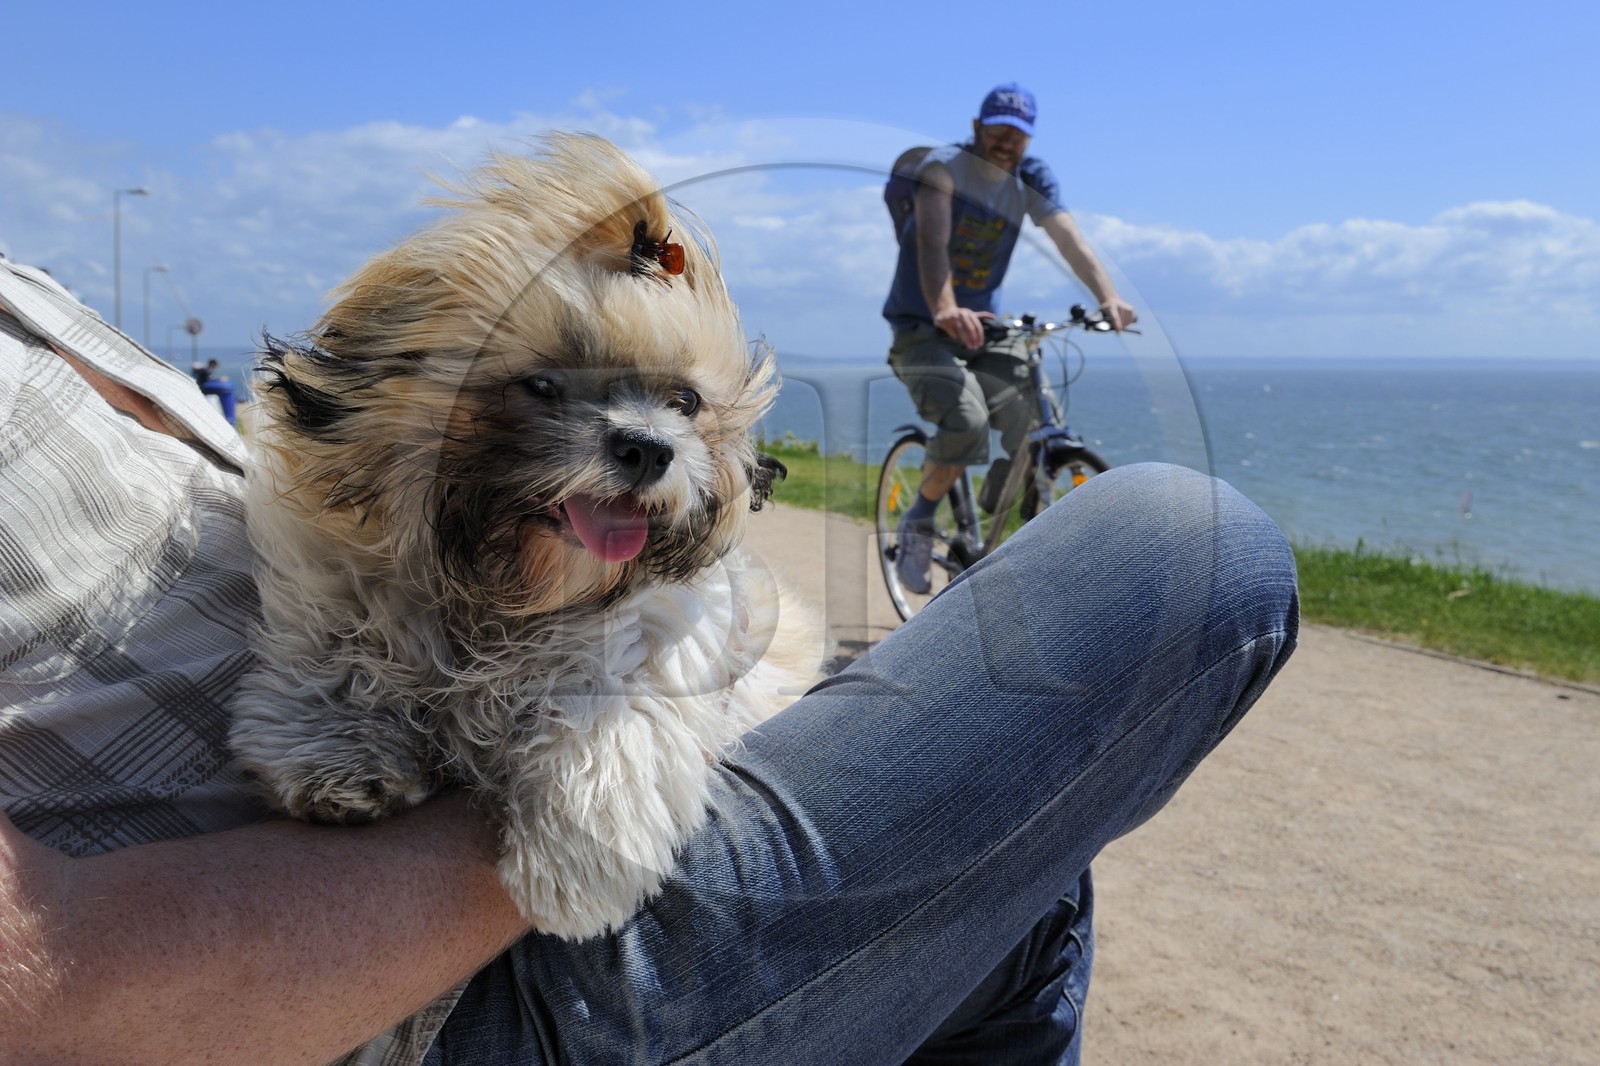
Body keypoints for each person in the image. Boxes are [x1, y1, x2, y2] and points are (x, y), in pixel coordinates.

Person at [0, 251, 1297, 1065]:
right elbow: (50, 988)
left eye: (684, 408)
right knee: (1186, 552)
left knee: (1016, 887)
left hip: (457, 844)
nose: (640, 432)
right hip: (396, 985)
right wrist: (576, 796)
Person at [884, 83, 1138, 594]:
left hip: (987, 330)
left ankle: (1004, 532)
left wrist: (1108, 296)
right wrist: (944, 308)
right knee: (967, 420)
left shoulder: (1030, 176)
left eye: (1017, 134)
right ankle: (919, 519)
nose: (1006, 141)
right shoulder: (942, 168)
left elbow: (1069, 237)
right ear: (977, 127)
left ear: (1029, 139)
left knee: (1035, 424)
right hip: (922, 327)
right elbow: (933, 239)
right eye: (997, 129)